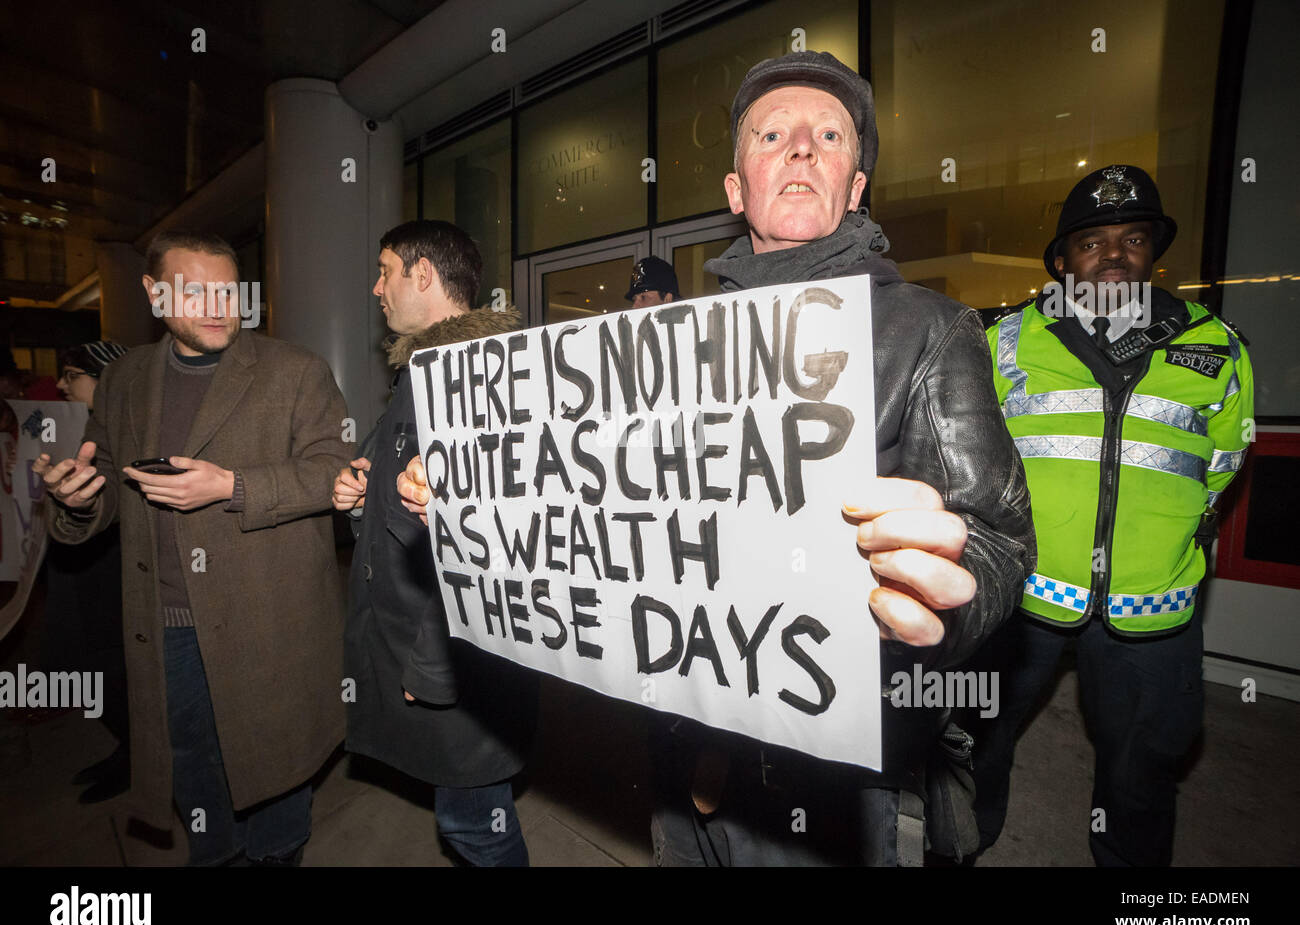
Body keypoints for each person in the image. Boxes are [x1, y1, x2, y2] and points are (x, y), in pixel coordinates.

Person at [399, 52, 1036, 866]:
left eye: (828, 135)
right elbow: (596, 491)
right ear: (738, 190)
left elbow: (996, 537)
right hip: (684, 742)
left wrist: (943, 602)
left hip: (839, 776)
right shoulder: (667, 350)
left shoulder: (930, 329)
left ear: (856, 183)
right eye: (774, 134)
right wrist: (469, 494)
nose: (802, 147)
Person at [35, 230, 350, 866]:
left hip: (267, 622)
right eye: (194, 291)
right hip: (164, 624)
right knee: (191, 764)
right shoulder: (125, 378)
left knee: (275, 768)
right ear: (154, 295)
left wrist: (231, 487)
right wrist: (77, 500)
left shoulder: (295, 371)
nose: (216, 306)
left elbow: (335, 472)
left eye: (228, 292)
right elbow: (115, 483)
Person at [970, 165, 1254, 867]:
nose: (1115, 255)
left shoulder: (1218, 346)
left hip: (1151, 600)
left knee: (1143, 767)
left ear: (1153, 251)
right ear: (1062, 261)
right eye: (1091, 242)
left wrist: (1163, 533)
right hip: (1021, 593)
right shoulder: (1004, 341)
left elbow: (1222, 465)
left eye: (1132, 238)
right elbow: (972, 455)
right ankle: (965, 842)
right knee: (976, 735)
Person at [334, 219, 537, 866]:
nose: (376, 287)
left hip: (459, 654)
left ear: (423, 275)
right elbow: (407, 503)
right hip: (433, 647)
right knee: (470, 816)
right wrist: (359, 495)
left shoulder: (474, 380)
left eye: (385, 269)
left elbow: (492, 540)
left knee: (475, 824)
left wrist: (433, 667)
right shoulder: (425, 372)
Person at [43, 340, 132, 802]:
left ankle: (138, 755)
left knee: (108, 665)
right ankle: (130, 749)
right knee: (86, 661)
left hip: (112, 567)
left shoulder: (127, 431)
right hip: (79, 564)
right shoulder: (63, 428)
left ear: (106, 378)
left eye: (72, 373)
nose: (61, 383)